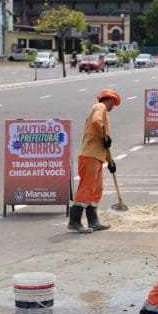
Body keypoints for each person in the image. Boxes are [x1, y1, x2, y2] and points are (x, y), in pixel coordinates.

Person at [69, 88, 121, 233]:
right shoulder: (100, 107)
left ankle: (93, 221)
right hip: (89, 156)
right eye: (113, 104)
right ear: (109, 99)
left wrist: (110, 161)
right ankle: (74, 221)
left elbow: (105, 144)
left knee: (96, 190)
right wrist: (105, 136)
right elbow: (96, 122)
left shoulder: (105, 116)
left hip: (97, 157)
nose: (112, 107)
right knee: (86, 188)